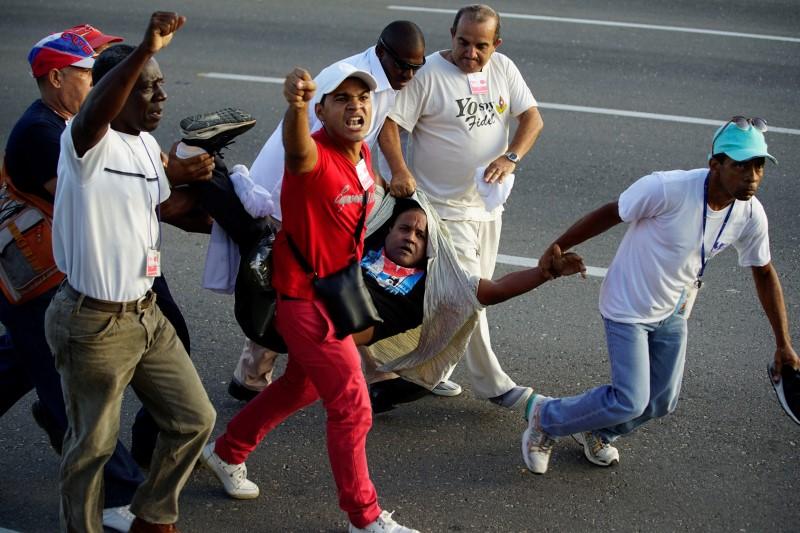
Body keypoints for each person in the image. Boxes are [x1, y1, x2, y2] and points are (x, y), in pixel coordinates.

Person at [200, 63, 418, 533]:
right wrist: (295, 108)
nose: (355, 105)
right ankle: (364, 518)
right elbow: (296, 151)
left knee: (303, 385)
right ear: (322, 111)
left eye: (363, 97)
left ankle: (225, 452)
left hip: (336, 292)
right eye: (341, 98)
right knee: (352, 402)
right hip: (304, 300)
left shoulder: (361, 156)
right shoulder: (313, 154)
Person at [521, 117, 800, 475]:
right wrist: (558, 246)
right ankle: (547, 419)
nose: (752, 176)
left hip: (673, 310)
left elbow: (764, 272)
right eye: (741, 165)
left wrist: (783, 343)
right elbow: (612, 212)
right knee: (630, 398)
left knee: (661, 401)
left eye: (759, 165)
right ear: (715, 164)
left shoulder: (749, 214)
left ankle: (599, 430)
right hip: (628, 305)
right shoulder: (668, 188)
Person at [44, 13, 215, 532]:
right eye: (146, 88)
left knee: (195, 419)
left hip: (146, 314)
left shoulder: (144, 143)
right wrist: (143, 48)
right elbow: (95, 113)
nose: (159, 97)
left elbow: (166, 207)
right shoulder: (85, 143)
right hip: (93, 323)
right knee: (90, 449)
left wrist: (239, 221)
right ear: (115, 93)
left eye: (161, 86)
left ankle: (153, 517)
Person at [225, 20, 430, 401]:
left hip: (335, 196)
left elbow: (377, 129)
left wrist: (382, 177)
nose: (410, 75)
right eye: (404, 66)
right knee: (290, 288)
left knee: (341, 284)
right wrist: (296, 104)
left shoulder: (386, 83)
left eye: (416, 68)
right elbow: (305, 147)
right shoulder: (345, 82)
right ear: (382, 52)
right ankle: (251, 375)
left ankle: (368, 372)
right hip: (294, 197)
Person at [378, 4, 544, 411]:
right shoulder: (429, 74)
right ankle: (495, 384)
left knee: (459, 299)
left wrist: (511, 158)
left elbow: (533, 120)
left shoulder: (502, 68)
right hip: (444, 212)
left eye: (480, 46)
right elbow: (389, 125)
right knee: (473, 296)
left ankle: (425, 370)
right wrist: (400, 173)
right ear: (451, 34)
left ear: (496, 44)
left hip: (487, 209)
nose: (470, 53)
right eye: (463, 42)